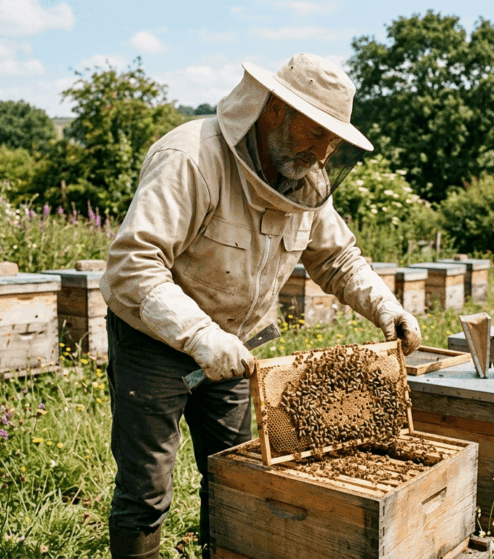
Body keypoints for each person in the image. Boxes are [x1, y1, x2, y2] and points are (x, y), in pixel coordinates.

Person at [99, 53, 422, 559]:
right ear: (274, 109)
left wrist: (386, 307)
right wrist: (199, 336)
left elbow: (337, 257)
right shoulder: (191, 158)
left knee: (234, 474)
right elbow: (134, 265)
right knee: (146, 488)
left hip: (235, 348)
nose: (323, 152)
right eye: (315, 133)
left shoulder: (307, 180)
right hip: (154, 340)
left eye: (333, 141)